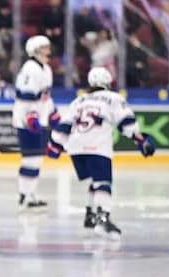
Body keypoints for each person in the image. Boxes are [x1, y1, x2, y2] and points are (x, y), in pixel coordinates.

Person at [46, 67, 155, 239]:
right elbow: (126, 123)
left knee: (95, 181)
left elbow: (64, 125)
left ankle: (90, 216)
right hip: (96, 146)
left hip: (76, 147)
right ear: (108, 82)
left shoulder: (79, 101)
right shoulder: (113, 98)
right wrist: (141, 141)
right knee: (103, 183)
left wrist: (55, 144)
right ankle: (102, 219)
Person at [12, 35, 60, 209]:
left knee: (37, 158)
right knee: (31, 159)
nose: (48, 50)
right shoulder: (30, 68)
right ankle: (24, 195)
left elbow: (45, 96)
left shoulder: (46, 69)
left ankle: (30, 194)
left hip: (39, 118)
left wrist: (52, 113)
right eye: (44, 47)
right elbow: (26, 96)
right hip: (26, 120)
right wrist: (31, 117)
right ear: (35, 50)